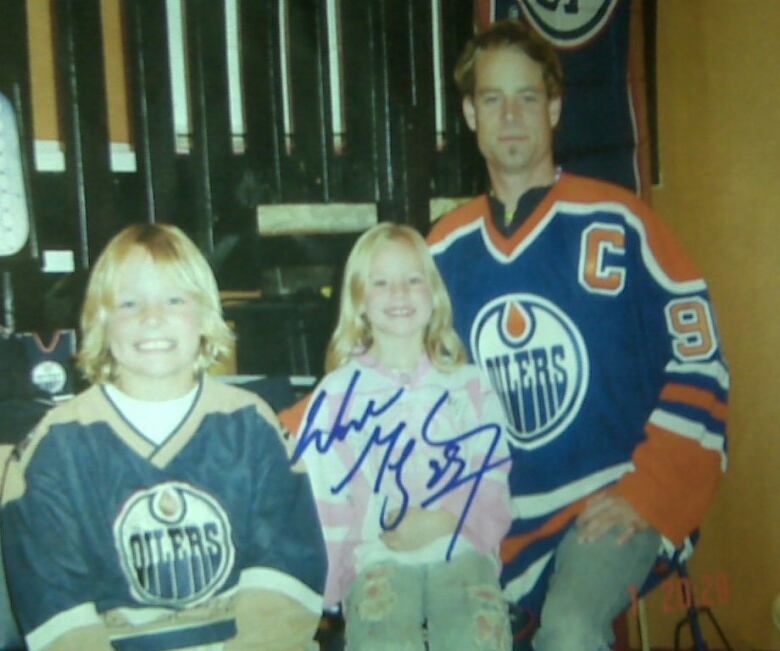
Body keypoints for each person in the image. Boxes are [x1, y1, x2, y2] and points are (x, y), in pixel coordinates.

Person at [427, 19, 728, 651]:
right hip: (491, 520)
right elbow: (389, 383)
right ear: (468, 114)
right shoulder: (438, 251)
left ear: (555, 107)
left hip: (608, 503)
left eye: (528, 97)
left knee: (568, 631)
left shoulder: (621, 222)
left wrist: (646, 492)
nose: (511, 115)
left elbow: (701, 366)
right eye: (491, 99)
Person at [1, 223, 327, 651]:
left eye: (174, 299)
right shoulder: (57, 446)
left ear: (205, 316)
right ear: (101, 320)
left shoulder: (251, 425)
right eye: (129, 302)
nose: (152, 317)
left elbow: (288, 569)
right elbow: (53, 600)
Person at [290, 222, 514, 651]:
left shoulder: (469, 386)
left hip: (464, 547)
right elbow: (326, 502)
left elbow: (493, 475)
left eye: (413, 280)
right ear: (358, 299)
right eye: (381, 283)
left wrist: (444, 520)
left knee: (475, 635)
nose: (399, 293)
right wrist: (329, 591)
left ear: (434, 295)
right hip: (377, 558)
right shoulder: (337, 396)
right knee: (384, 639)